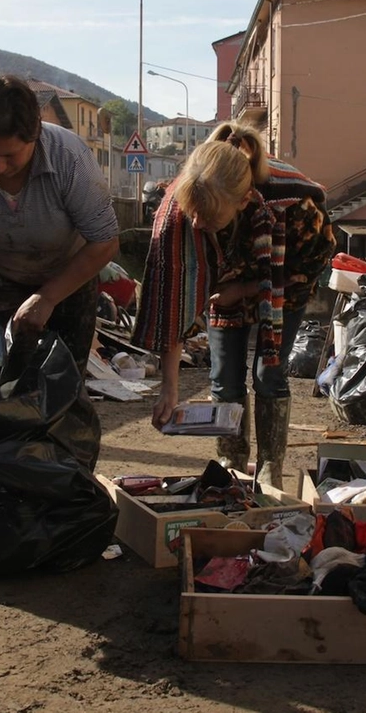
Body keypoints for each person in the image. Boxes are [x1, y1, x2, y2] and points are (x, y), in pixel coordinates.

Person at [133, 122, 335, 490]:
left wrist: (243, 290)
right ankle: (233, 464)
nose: (197, 223)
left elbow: (310, 265)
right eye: (193, 214)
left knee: (267, 373)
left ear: (243, 203)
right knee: (225, 376)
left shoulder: (297, 207)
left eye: (208, 219)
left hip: (282, 285)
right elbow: (173, 302)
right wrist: (169, 389)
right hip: (224, 289)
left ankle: (272, 465)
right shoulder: (179, 212)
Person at [0, 75, 120, 371]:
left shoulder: (71, 158)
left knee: (61, 378)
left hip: (68, 272)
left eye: (9, 155)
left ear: (35, 134)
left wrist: (47, 297)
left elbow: (104, 242)